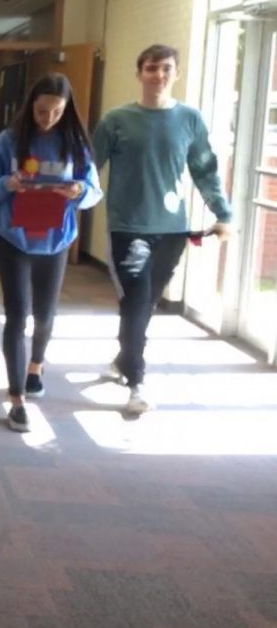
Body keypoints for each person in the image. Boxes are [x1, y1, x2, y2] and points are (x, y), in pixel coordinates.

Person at [92, 43, 232, 414]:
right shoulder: (116, 120)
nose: (159, 75)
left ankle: (124, 357)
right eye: (152, 68)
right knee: (136, 301)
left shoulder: (189, 119)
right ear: (139, 74)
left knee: (144, 303)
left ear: (177, 74)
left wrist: (224, 214)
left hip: (172, 230)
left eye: (166, 68)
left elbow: (205, 170)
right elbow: (89, 169)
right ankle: (136, 383)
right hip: (127, 227)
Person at [0, 73, 103, 433]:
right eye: (41, 110)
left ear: (67, 110)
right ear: (30, 105)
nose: (47, 118)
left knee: (45, 316)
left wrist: (78, 190)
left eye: (56, 111)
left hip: (55, 241)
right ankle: (17, 399)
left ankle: (35, 366)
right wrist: (8, 184)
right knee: (17, 315)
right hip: (13, 238)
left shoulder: (75, 144)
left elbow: (95, 191)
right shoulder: (10, 140)